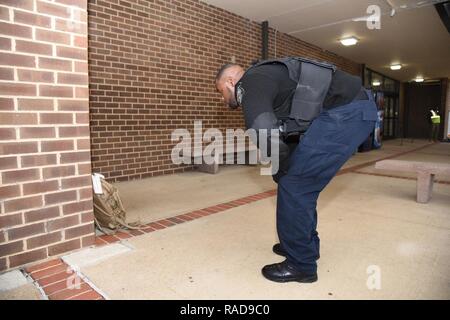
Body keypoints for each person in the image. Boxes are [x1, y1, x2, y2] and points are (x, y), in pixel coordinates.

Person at [215, 57, 377, 283]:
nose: (224, 100)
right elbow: (289, 129)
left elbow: (262, 128)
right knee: (296, 183)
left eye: (221, 91)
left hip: (346, 114)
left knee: (296, 186)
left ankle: (301, 264)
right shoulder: (269, 77)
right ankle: (303, 244)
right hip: (349, 111)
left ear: (231, 81)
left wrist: (282, 167)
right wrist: (283, 167)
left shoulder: (249, 83)